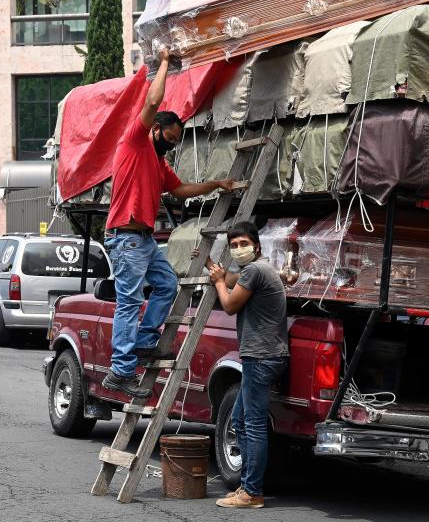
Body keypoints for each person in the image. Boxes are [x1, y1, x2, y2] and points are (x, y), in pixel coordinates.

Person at [101, 46, 236, 399]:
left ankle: (145, 342)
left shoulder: (158, 164)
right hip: (126, 237)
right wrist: (162, 63)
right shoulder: (134, 142)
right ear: (157, 130)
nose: (171, 146)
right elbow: (152, 101)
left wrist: (215, 184)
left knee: (166, 286)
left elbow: (180, 190)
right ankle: (120, 370)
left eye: (176, 143)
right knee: (129, 301)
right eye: (170, 139)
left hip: (143, 239)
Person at [207, 221, 289, 509]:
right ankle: (247, 485)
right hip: (262, 357)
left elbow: (229, 304)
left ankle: (252, 492)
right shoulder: (255, 270)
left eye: (243, 244)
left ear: (256, 246)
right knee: (240, 420)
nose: (238, 249)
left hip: (261, 357)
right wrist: (210, 264)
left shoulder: (255, 270)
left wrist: (217, 282)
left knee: (253, 425)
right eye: (234, 245)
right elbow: (233, 280)